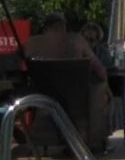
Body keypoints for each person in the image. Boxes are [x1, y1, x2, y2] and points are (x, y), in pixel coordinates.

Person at [22, 12, 111, 148]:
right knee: (101, 89)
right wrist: (106, 86)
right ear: (64, 26)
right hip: (76, 98)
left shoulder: (31, 43)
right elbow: (100, 70)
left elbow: (17, 63)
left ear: (45, 28)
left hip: (41, 96)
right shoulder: (76, 40)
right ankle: (93, 140)